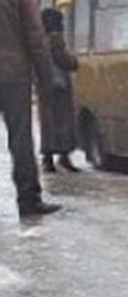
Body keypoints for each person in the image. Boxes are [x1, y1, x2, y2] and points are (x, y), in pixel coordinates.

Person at [0, 0, 61, 218]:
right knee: (20, 139)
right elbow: (35, 35)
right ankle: (29, 200)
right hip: (12, 74)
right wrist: (47, 78)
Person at [38, 7, 79, 173]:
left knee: (48, 124)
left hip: (43, 86)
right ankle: (64, 157)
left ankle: (48, 159)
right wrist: (74, 61)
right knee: (64, 122)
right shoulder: (55, 39)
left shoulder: (38, 39)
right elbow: (63, 60)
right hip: (59, 86)